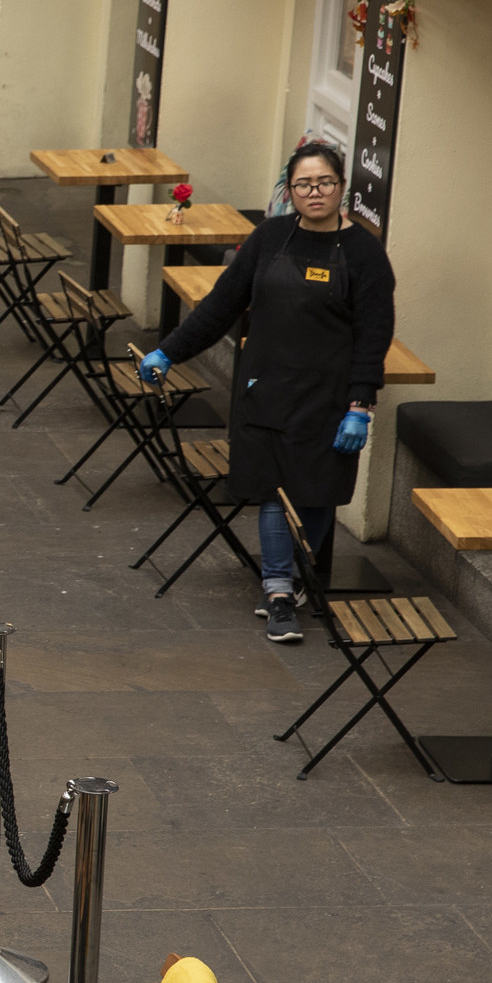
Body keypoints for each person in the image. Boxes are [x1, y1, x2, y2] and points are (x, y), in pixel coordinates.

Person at [139, 140, 396, 644]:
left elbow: (374, 337)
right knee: (275, 491)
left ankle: (293, 578)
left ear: (342, 187)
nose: (314, 192)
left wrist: (360, 406)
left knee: (318, 490)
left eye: (324, 182)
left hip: (328, 396)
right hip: (266, 387)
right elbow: (221, 306)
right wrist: (169, 352)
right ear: (290, 191)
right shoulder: (270, 237)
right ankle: (279, 589)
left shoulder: (365, 254)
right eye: (303, 184)